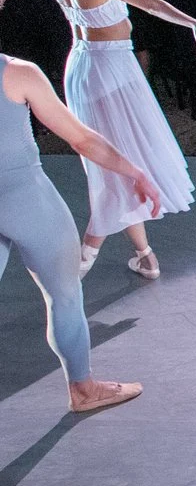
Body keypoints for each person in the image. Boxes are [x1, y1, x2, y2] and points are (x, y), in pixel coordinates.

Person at [5, 0, 196, 279]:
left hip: (82, 70)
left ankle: (145, 254)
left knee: (111, 163)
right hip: (112, 73)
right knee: (113, 165)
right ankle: (85, 253)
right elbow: (151, 3)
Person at [0, 52, 161, 412]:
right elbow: (81, 140)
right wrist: (134, 172)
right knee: (64, 294)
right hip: (26, 199)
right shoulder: (18, 73)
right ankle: (84, 390)